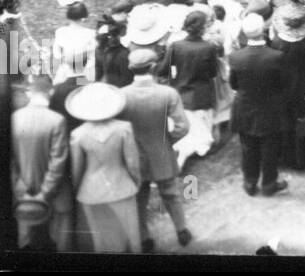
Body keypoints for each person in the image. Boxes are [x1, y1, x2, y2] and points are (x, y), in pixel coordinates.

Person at [120, 48, 193, 252]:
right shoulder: (168, 93)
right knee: (171, 193)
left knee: (139, 197)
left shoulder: (122, 95)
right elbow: (183, 126)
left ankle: (144, 237)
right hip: (161, 152)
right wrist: (168, 140)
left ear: (131, 68)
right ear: (153, 67)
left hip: (134, 155)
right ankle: (181, 230)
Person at [66, 82, 142, 254]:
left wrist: (77, 188)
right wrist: (136, 181)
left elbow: (76, 169)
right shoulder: (124, 128)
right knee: (132, 235)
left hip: (90, 191)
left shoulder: (78, 134)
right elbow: (132, 162)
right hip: (122, 186)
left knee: (100, 240)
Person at [229, 13, 289, 197]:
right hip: (270, 108)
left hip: (245, 107)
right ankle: (269, 183)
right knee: (270, 147)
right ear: (263, 31)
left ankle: (250, 182)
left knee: (248, 147)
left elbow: (233, 84)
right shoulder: (276, 56)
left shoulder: (235, 57)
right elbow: (283, 83)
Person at [12, 75, 74, 251]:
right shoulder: (57, 120)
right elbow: (58, 160)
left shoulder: (15, 117)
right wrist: (44, 193)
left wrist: (20, 188)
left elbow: (10, 161)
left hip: (24, 190)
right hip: (55, 192)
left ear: (30, 93)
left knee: (24, 238)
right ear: (51, 92)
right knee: (63, 230)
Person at [158, 9, 221, 170]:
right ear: (202, 28)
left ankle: (180, 152)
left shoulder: (175, 46)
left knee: (184, 125)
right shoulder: (209, 47)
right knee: (199, 127)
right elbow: (213, 72)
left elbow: (163, 69)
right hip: (201, 93)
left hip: (181, 90)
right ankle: (187, 153)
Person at [269, 0, 305, 171]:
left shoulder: (276, 43)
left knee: (285, 122)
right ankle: (303, 158)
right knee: (303, 120)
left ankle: (285, 156)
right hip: (304, 88)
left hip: (282, 89)